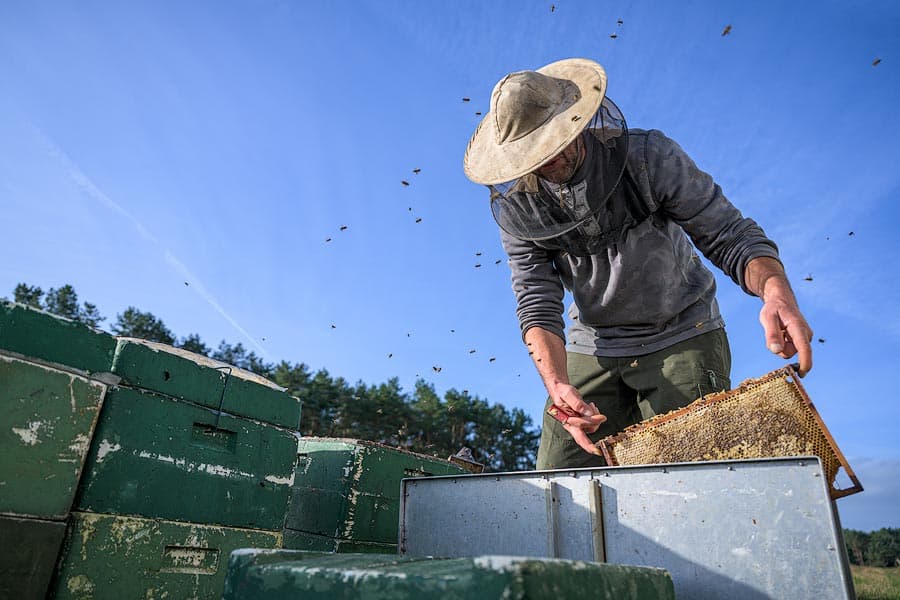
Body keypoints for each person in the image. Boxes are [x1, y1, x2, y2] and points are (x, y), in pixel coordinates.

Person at [462, 58, 813, 469]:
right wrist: (558, 385)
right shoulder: (520, 207)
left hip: (681, 331)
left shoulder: (649, 157)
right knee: (556, 482)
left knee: (688, 480)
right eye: (530, 154)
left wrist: (776, 293)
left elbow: (728, 234)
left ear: (574, 121)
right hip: (591, 345)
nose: (545, 162)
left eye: (551, 145)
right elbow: (536, 299)